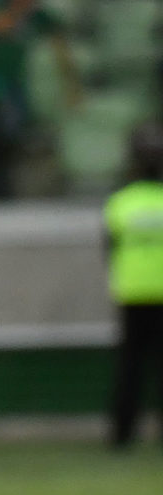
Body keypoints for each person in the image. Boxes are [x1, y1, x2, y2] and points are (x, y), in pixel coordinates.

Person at [0, 0, 78, 200]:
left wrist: (71, 83)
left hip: (16, 82)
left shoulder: (37, 15)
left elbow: (59, 37)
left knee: (11, 135)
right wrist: (19, 10)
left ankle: (4, 189)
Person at [106, 126, 163, 449]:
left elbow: (110, 249)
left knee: (130, 368)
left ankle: (122, 435)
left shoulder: (121, 203)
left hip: (132, 292)